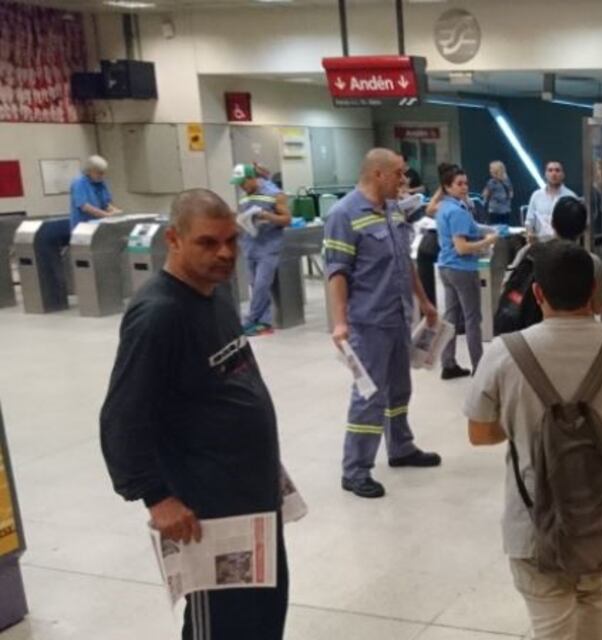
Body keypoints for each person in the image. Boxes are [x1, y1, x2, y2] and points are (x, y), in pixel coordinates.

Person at [100, 189, 288, 640]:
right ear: (174, 239)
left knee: (262, 619)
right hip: (210, 513)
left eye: (231, 240)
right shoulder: (159, 315)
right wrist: (156, 497)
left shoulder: (216, 293)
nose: (224, 253)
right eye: (208, 242)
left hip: (252, 499)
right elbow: (121, 417)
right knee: (221, 625)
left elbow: (233, 379)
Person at [465, 240, 602, 640]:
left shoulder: (504, 352)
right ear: (595, 291)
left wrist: (525, 423)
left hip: (532, 523)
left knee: (552, 628)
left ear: (537, 293)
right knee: (594, 602)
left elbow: (480, 433)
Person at [323, 148, 442, 499]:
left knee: (399, 389)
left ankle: (400, 446)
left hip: (398, 316)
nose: (403, 181)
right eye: (398, 174)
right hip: (367, 322)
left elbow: (405, 261)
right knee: (369, 395)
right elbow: (336, 272)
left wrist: (424, 302)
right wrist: (339, 322)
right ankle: (356, 469)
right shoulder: (344, 214)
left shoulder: (392, 210)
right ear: (378, 174)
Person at [436, 163, 498, 379]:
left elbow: (472, 227)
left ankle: (448, 363)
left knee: (451, 318)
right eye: (459, 184)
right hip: (462, 269)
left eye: (466, 183)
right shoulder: (457, 211)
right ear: (447, 186)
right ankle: (479, 366)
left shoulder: (445, 207)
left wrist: (489, 230)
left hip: (446, 267)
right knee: (472, 319)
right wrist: (488, 241)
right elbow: (462, 247)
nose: (464, 187)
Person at [509, 195, 602, 317]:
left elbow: (509, 286)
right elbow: (599, 306)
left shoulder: (529, 253)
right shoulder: (592, 263)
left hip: (534, 325)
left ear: (552, 223)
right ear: (584, 229)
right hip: (579, 327)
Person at [231, 163, 292, 337]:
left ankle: (251, 319)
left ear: (252, 178)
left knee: (261, 285)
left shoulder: (274, 194)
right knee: (255, 284)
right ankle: (264, 323)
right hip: (250, 245)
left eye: (243, 183)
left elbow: (287, 219)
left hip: (268, 246)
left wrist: (268, 216)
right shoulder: (245, 197)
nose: (241, 187)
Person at [525, 161, 577, 243]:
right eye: (550, 170)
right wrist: (529, 233)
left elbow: (576, 224)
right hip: (541, 244)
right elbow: (529, 220)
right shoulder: (536, 196)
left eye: (557, 170)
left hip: (564, 245)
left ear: (563, 175)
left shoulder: (571, 196)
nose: (554, 174)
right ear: (545, 174)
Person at [69, 155, 121, 229]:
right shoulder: (79, 183)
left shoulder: (101, 183)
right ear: (90, 171)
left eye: (103, 173)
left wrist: (116, 212)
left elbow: (106, 205)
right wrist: (107, 215)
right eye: (99, 173)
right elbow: (85, 207)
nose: (102, 176)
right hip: (83, 227)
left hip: (98, 225)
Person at [482, 160, 514, 226]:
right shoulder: (507, 181)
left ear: (496, 171)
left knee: (496, 229)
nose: (490, 171)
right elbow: (511, 194)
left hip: (496, 211)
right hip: (503, 210)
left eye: (491, 169)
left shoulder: (492, 182)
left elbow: (485, 194)